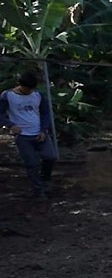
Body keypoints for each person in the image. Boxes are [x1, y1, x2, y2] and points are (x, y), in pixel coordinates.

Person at [0, 71, 57, 199]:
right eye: (27, 88)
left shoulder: (38, 95)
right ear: (20, 85)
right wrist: (10, 125)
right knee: (32, 163)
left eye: (32, 88)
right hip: (23, 135)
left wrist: (43, 130)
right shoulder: (7, 96)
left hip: (39, 133)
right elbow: (0, 113)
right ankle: (38, 190)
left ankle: (45, 180)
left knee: (50, 156)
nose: (29, 91)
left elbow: (45, 114)